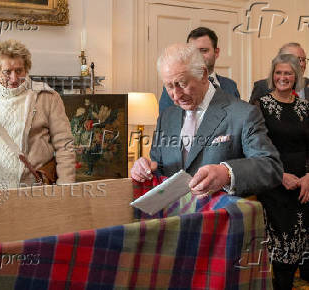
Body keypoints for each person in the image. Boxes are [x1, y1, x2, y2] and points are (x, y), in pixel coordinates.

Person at [131, 43, 283, 198]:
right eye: (169, 86)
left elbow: (270, 167)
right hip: (174, 218)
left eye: (182, 84)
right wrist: (145, 168)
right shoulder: (167, 117)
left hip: (219, 218)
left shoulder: (243, 114)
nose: (176, 96)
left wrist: (227, 173)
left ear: (203, 74)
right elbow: (159, 167)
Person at [0, 40, 75, 189]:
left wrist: (66, 185)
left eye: (19, 71)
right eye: (7, 72)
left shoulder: (47, 97)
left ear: (26, 69)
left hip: (33, 189)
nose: (14, 78)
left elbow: (65, 144)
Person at [253, 53, 309, 290]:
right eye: (278, 72)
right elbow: (255, 148)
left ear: (296, 76)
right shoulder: (259, 106)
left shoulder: (305, 107)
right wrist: (279, 175)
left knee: (300, 251)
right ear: (272, 75)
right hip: (275, 185)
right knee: (280, 257)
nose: (283, 77)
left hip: (304, 188)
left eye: (288, 73)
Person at [159, 27, 240, 114]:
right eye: (193, 52)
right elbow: (167, 121)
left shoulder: (230, 85)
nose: (197, 56)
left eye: (203, 50)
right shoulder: (174, 87)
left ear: (216, 52)